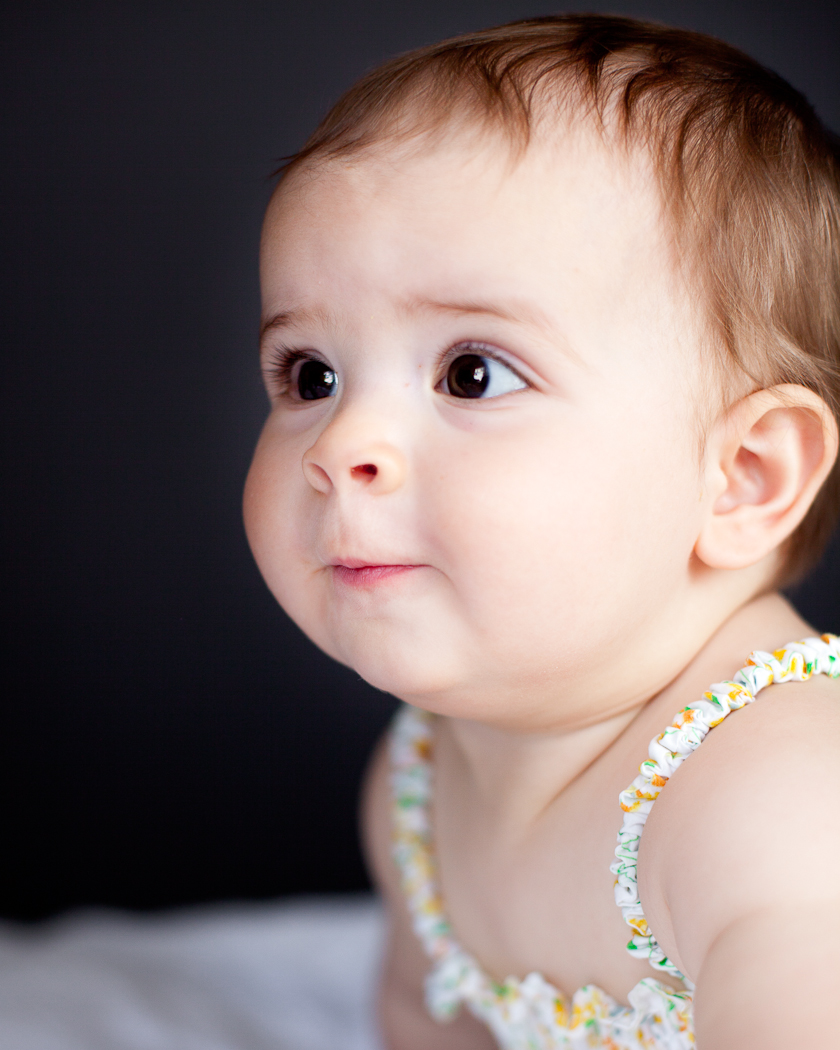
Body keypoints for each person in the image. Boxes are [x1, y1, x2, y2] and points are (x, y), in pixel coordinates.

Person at [242, 15, 840, 1049]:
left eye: (472, 373)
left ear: (741, 479)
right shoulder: (417, 788)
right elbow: (426, 1021)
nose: (341, 444)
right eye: (312, 375)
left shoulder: (775, 799)